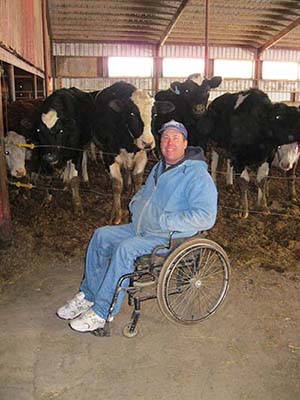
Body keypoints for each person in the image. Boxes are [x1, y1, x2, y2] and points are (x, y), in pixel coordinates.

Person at [57, 120, 218, 333]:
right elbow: (145, 191)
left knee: (126, 249)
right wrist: (135, 203)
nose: (169, 143)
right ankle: (89, 295)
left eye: (175, 138)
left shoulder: (197, 175)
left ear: (185, 143)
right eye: (165, 138)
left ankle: (103, 312)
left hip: (168, 236)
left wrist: (166, 221)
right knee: (101, 235)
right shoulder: (160, 167)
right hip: (140, 227)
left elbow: (206, 216)